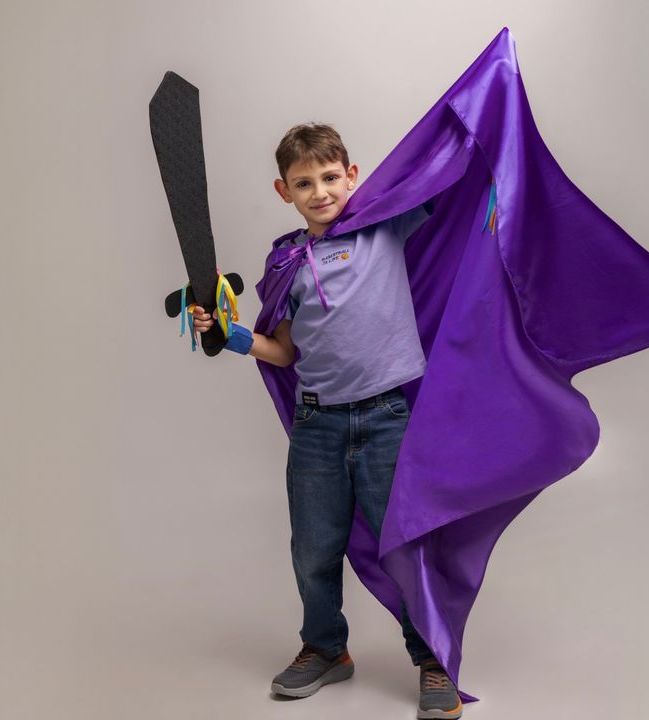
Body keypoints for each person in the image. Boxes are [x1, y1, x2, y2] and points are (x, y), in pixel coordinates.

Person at [191, 123, 464, 719]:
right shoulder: (288, 261)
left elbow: (444, 184)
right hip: (318, 425)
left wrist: (482, 126)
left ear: (352, 176)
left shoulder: (383, 225)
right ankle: (325, 648)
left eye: (330, 177)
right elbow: (283, 352)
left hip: (387, 417)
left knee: (405, 543)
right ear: (283, 190)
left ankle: (432, 658)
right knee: (313, 549)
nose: (320, 192)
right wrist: (231, 335)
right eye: (303, 183)